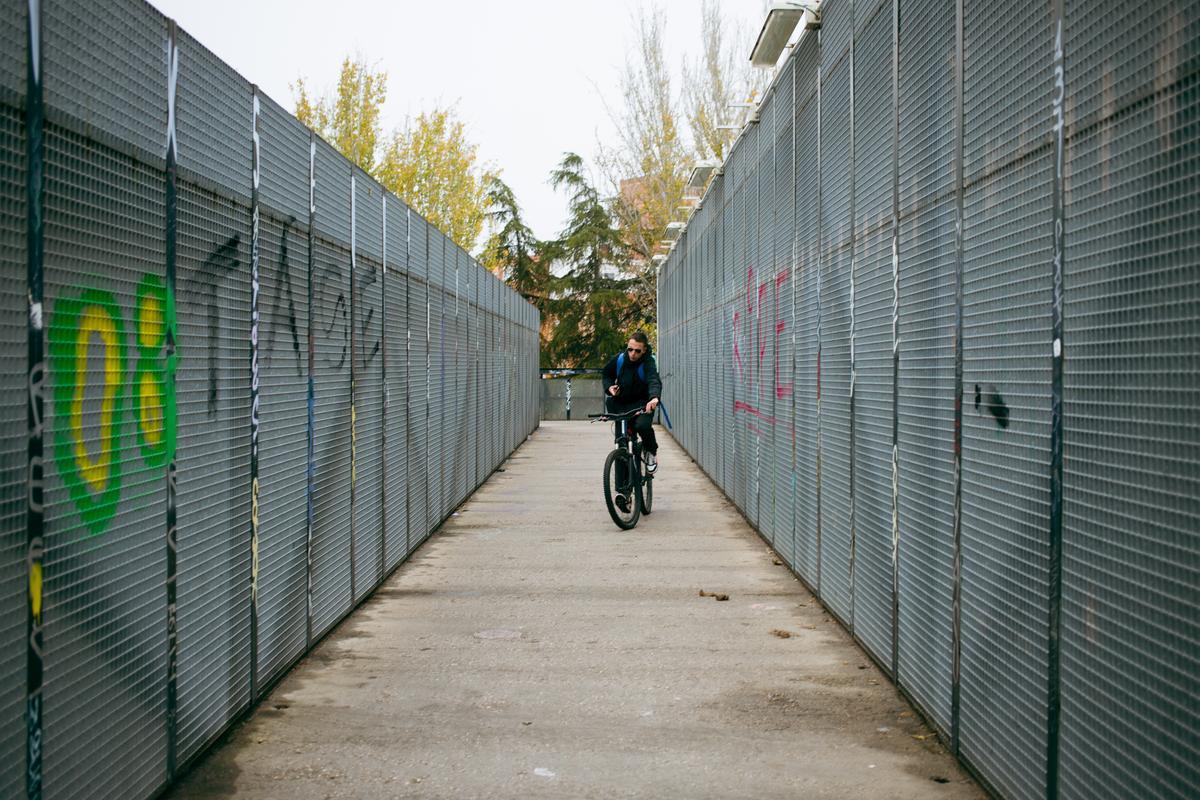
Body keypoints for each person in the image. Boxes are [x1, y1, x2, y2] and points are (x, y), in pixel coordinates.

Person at [601, 331, 662, 476]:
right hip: (621, 404)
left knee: (642, 426)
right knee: (621, 443)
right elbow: (607, 374)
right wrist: (610, 387)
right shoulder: (620, 359)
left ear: (644, 350)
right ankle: (622, 491)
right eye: (630, 349)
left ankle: (650, 452)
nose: (633, 353)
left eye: (637, 351)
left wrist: (654, 398)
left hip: (643, 404)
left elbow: (654, 379)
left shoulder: (648, 362)